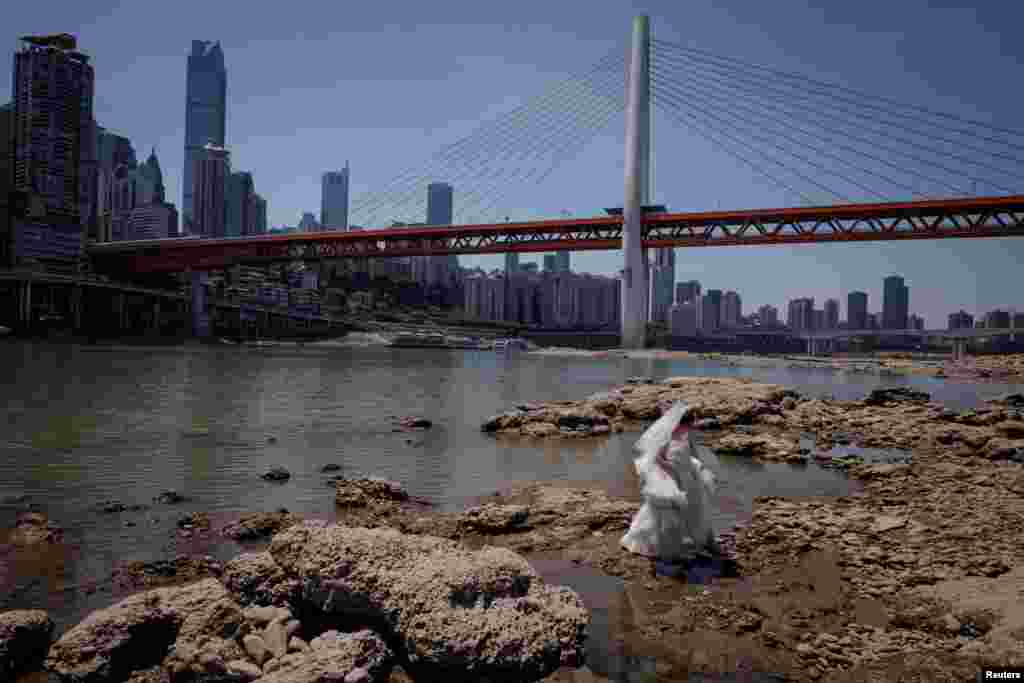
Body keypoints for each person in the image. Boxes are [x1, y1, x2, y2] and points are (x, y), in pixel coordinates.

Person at [620, 402, 720, 563]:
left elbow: (689, 457)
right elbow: (656, 457)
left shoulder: (685, 437)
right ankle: (660, 545)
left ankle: (694, 540)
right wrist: (671, 469)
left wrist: (699, 469)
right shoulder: (665, 437)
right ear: (681, 424)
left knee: (693, 508)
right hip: (671, 477)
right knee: (667, 514)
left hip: (688, 477)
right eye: (690, 424)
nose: (692, 427)